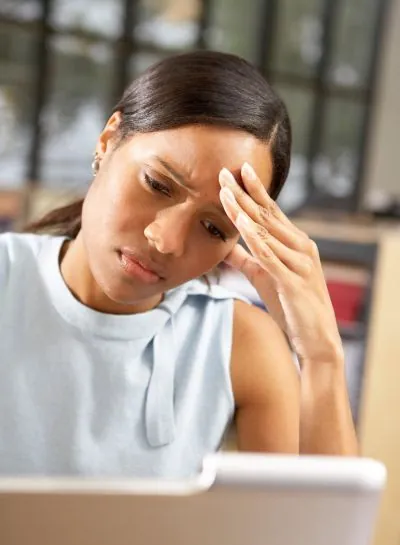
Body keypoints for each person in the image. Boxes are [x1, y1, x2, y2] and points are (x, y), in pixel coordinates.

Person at [0, 50, 358, 477]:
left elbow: (316, 539)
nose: (166, 242)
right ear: (107, 141)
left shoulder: (237, 345)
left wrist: (321, 355)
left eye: (213, 229)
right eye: (157, 184)